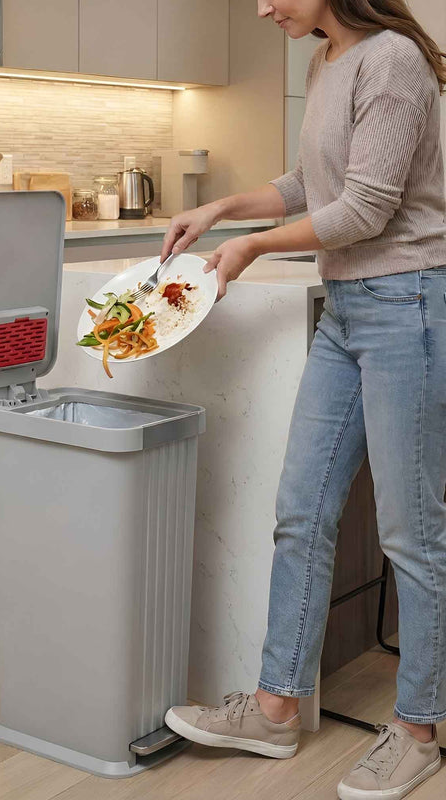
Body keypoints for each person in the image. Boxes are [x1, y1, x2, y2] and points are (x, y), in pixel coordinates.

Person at [160, 2, 446, 798]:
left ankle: (418, 730)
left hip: (408, 307)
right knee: (301, 511)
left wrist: (251, 246)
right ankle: (275, 709)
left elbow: (365, 209)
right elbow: (310, 187)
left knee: (412, 532)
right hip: (348, 312)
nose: (261, 7)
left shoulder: (392, 59)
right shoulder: (326, 61)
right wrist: (221, 209)